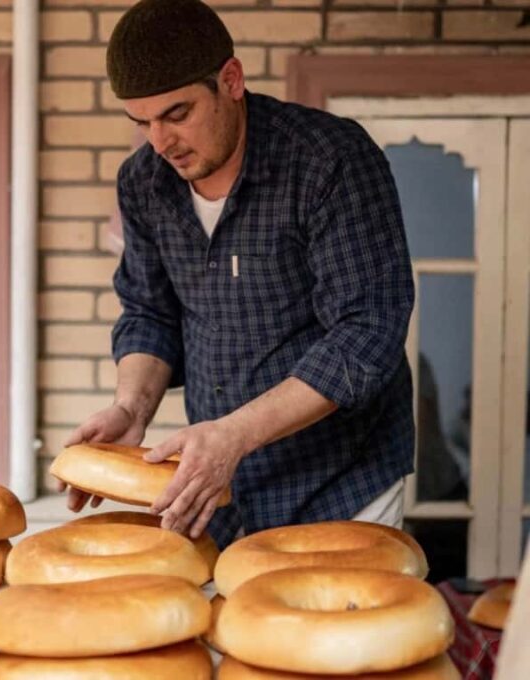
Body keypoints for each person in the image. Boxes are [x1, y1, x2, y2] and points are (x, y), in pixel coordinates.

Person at [58, 0, 416, 550]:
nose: (161, 142)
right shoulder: (143, 182)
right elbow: (150, 312)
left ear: (231, 79)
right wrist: (132, 408)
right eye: (142, 121)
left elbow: (366, 334)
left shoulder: (330, 159)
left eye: (177, 114)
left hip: (341, 485)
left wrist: (235, 435)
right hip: (217, 488)